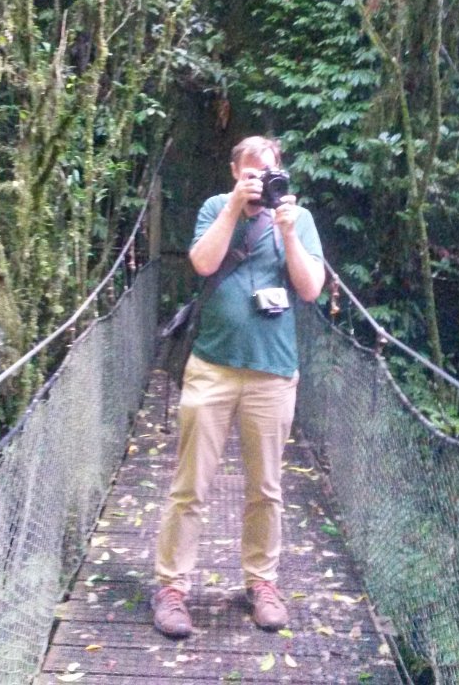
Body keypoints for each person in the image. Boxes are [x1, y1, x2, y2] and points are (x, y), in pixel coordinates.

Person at [152, 135, 325, 637]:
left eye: (266, 173)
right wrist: (233, 208)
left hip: (273, 372)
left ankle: (262, 583)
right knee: (189, 485)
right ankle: (172, 588)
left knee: (266, 488)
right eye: (249, 173)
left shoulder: (298, 218)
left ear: (279, 172)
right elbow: (204, 263)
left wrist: (288, 232)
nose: (258, 182)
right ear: (234, 172)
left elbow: (310, 289)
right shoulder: (215, 207)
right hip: (212, 367)